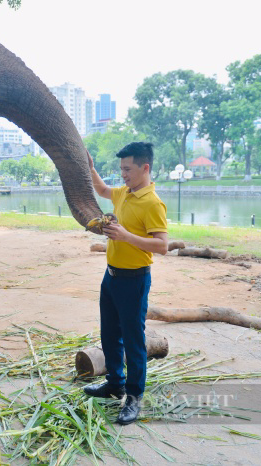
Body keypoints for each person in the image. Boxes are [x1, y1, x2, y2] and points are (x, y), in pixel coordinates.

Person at [84, 142, 169, 425]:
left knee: (133, 341)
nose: (123, 174)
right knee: (109, 334)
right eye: (121, 169)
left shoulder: (152, 203)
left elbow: (162, 245)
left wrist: (124, 236)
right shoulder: (124, 193)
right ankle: (114, 384)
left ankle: (134, 397)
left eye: (128, 169)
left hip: (134, 280)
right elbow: (103, 191)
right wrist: (91, 169)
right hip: (111, 277)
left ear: (145, 168)